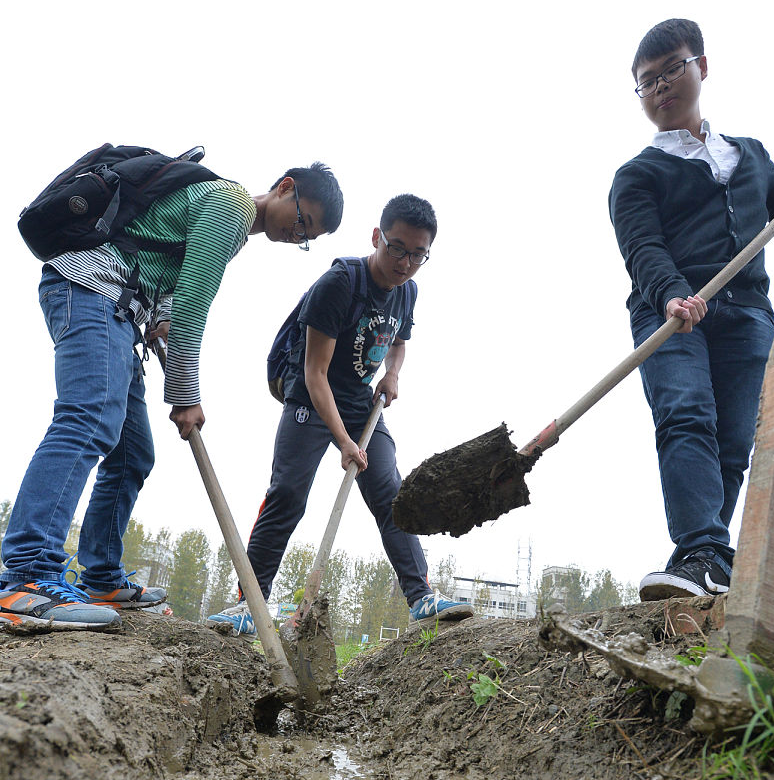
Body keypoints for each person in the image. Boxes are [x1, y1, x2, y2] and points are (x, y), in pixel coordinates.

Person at [0, 161, 343, 631]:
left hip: (121, 310)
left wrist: (159, 319)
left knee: (133, 453)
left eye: (308, 237)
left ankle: (100, 576)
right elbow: (192, 312)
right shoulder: (231, 206)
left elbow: (167, 285)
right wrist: (184, 395)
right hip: (91, 289)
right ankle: (25, 572)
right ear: (285, 188)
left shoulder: (230, 224)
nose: (296, 235)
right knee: (89, 418)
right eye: (302, 221)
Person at [206, 194, 474, 637]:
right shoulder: (339, 284)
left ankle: (422, 596)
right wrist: (345, 442)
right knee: (287, 495)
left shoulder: (407, 291)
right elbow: (314, 374)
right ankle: (248, 604)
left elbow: (400, 340)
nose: (406, 262)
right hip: (310, 401)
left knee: (392, 495)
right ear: (377, 237)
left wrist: (392, 374)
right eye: (398, 248)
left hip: (359, 405)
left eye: (419, 254)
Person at [609, 18, 774, 601]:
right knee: (687, 413)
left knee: (738, 439)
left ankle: (709, 556)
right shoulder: (637, 175)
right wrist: (671, 293)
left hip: (748, 317)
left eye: (672, 69)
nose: (661, 86)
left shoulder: (749, 155)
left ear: (702, 67)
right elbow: (643, 247)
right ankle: (701, 548)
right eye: (646, 82)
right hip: (670, 313)